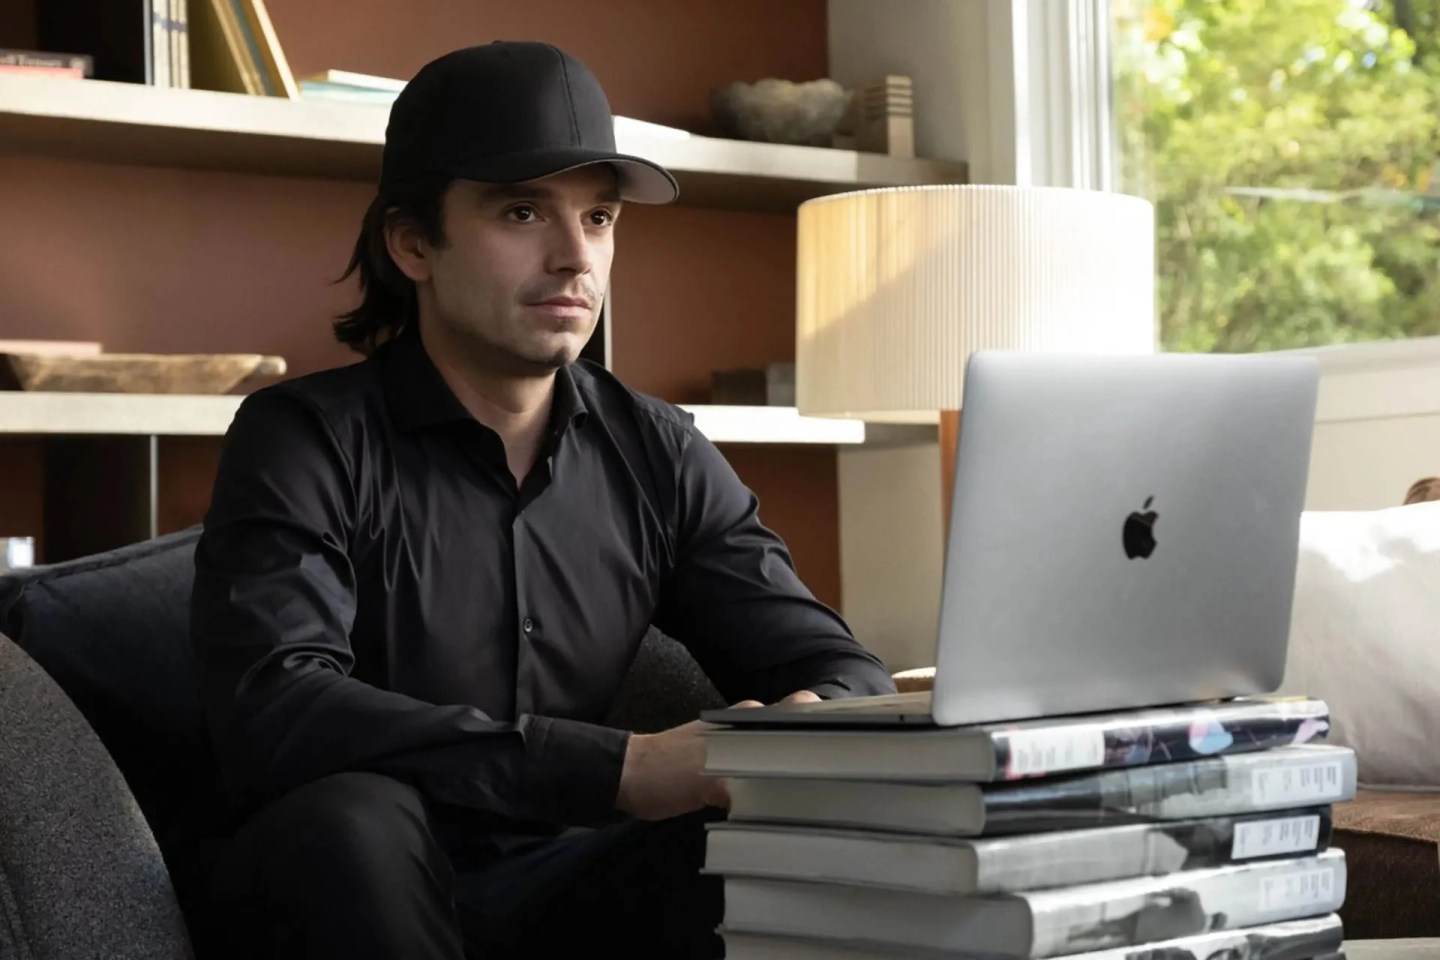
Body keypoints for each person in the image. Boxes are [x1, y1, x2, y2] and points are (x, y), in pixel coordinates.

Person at [187, 40, 897, 960]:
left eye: (598, 218)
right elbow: (275, 712)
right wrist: (622, 768)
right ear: (412, 242)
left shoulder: (660, 450)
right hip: (350, 888)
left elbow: (839, 668)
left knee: (796, 838)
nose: (575, 258)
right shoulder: (302, 437)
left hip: (578, 888)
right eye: (523, 212)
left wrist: (808, 725)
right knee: (352, 818)